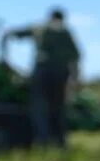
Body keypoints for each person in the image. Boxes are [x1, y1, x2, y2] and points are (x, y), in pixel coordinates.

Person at [5, 8, 81, 149]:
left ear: (50, 17)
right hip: (60, 72)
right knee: (58, 108)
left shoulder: (39, 27)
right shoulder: (66, 32)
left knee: (39, 107)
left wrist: (7, 34)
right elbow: (75, 56)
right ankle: (60, 142)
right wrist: (75, 79)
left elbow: (15, 34)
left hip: (43, 71)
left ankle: (42, 141)